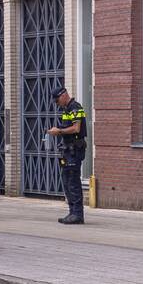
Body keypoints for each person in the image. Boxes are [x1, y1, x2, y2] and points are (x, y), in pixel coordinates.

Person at [47, 86, 87, 224]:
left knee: (73, 181)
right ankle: (72, 212)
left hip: (75, 150)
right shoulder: (66, 109)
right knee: (66, 181)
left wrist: (59, 131)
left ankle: (78, 214)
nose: (57, 103)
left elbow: (76, 128)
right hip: (68, 150)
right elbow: (66, 127)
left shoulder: (75, 107)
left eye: (57, 100)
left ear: (63, 95)